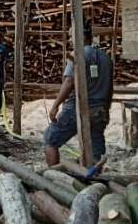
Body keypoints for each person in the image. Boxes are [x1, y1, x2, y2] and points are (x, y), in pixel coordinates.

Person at [44, 25, 113, 166]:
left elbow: (69, 82)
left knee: (51, 140)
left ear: (80, 36)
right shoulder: (106, 58)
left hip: (77, 108)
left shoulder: (77, 55)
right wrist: (107, 108)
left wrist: (55, 106)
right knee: (96, 148)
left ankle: (52, 177)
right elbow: (110, 88)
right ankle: (94, 179)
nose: (70, 39)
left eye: (71, 36)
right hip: (100, 109)